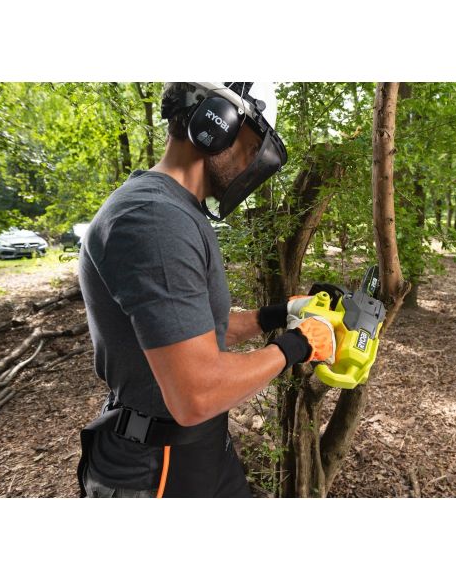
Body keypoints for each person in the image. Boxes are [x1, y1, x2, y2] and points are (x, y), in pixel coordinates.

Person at [76, 82, 336, 498]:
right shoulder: (155, 219)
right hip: (156, 466)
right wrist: (298, 345)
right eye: (253, 148)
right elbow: (197, 393)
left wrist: (280, 314)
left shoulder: (174, 209)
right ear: (219, 123)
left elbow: (196, 332)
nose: (251, 164)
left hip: (197, 446)